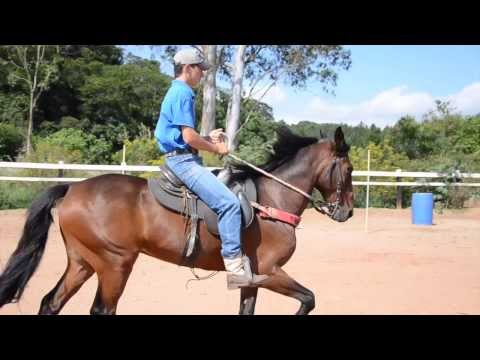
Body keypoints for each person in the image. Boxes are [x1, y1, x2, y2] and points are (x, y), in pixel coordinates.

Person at [154, 48, 268, 290]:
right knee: (228, 203)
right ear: (188, 69)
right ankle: (236, 270)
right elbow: (188, 137)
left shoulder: (177, 91)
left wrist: (206, 136)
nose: (202, 74)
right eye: (200, 69)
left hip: (182, 157)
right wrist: (217, 149)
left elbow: (185, 136)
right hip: (183, 162)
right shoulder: (183, 92)